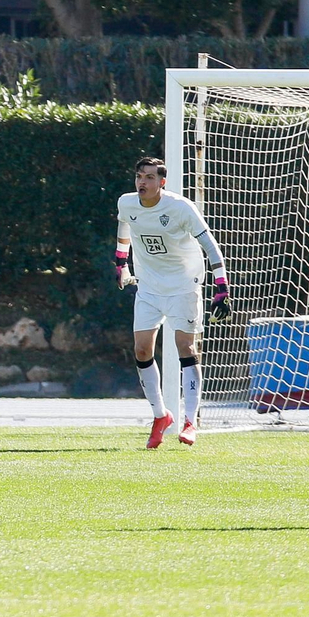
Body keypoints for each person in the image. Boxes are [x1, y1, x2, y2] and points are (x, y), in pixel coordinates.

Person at [114, 156, 231, 448]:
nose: (143, 182)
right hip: (149, 287)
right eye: (140, 176)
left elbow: (210, 244)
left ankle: (190, 421)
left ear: (162, 182)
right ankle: (160, 416)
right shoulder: (126, 203)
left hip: (183, 286)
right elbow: (124, 228)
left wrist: (221, 286)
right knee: (141, 349)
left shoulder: (180, 208)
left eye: (150, 177)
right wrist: (121, 262)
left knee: (185, 347)